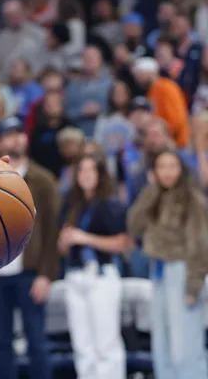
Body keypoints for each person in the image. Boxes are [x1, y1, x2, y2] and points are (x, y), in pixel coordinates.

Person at [0, 117, 59, 379]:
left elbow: (53, 231)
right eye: (9, 134)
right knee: (1, 343)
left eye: (20, 133)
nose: (16, 139)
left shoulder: (43, 180)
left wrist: (46, 274)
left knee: (37, 341)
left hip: (29, 272)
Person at [127, 150, 208, 379]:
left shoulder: (193, 199)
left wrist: (193, 286)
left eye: (172, 166)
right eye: (162, 166)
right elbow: (133, 226)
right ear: (155, 171)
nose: (168, 172)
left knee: (185, 345)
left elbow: (200, 246)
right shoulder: (153, 197)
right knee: (161, 344)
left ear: (180, 169)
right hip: (158, 271)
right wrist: (150, 191)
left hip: (181, 271)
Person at [57, 154, 130, 379]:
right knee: (82, 344)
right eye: (81, 170)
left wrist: (85, 238)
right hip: (75, 275)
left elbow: (123, 243)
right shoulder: (70, 203)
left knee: (106, 343)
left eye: (91, 170)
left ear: (100, 174)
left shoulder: (111, 204)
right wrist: (65, 240)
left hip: (102, 275)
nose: (86, 175)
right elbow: (61, 248)